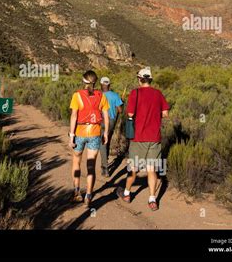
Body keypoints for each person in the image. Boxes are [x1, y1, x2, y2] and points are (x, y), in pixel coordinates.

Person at [118, 67, 169, 211]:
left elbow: (130, 113)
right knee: (152, 169)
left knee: (133, 168)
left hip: (138, 137)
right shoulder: (158, 94)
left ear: (140, 79)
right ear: (150, 79)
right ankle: (152, 199)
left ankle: (127, 193)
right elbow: (165, 113)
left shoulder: (135, 93)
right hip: (154, 137)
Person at [69, 70, 110, 207]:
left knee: (76, 162)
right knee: (91, 166)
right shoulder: (101, 96)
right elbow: (105, 116)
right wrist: (106, 133)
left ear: (84, 81)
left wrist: (71, 135)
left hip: (80, 132)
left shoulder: (77, 95)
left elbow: (74, 116)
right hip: (95, 133)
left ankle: (77, 193)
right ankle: (88, 195)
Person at [99, 77, 123, 177]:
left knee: (102, 143)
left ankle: (104, 167)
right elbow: (120, 110)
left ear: (101, 85)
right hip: (112, 121)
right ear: (109, 85)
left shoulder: (98, 95)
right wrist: (121, 102)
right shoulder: (115, 95)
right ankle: (105, 160)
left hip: (100, 121)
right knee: (106, 140)